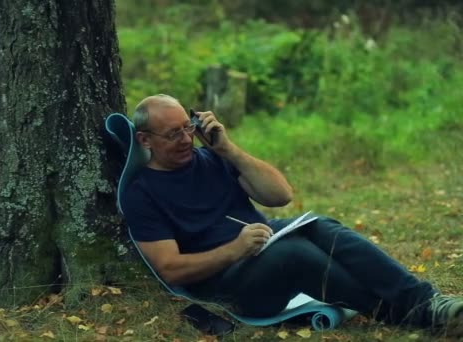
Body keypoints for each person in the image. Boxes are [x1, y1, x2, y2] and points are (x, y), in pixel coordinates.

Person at [120, 94, 463, 332]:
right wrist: (233, 250)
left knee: (319, 225)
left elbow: (280, 195)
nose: (185, 139)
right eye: (172, 133)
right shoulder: (141, 193)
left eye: (188, 127)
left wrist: (228, 149)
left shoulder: (212, 158)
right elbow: (170, 268)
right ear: (145, 140)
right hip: (228, 284)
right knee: (294, 254)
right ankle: (414, 314)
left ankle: (426, 302)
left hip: (263, 245)